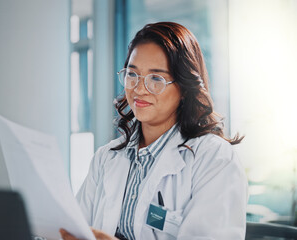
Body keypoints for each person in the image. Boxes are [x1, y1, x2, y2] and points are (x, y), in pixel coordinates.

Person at [60, 22, 248, 240]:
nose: (139, 89)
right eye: (132, 75)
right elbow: (74, 229)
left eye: (156, 78)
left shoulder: (215, 159)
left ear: (185, 88)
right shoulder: (106, 158)